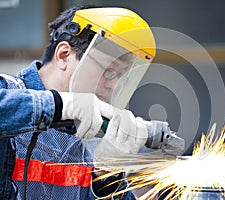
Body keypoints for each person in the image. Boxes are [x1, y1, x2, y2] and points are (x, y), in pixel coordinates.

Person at [0, 5, 157, 199]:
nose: (114, 86)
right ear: (64, 55)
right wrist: (60, 106)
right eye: (110, 71)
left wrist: (106, 177)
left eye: (122, 77)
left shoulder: (97, 136)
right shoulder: (8, 92)